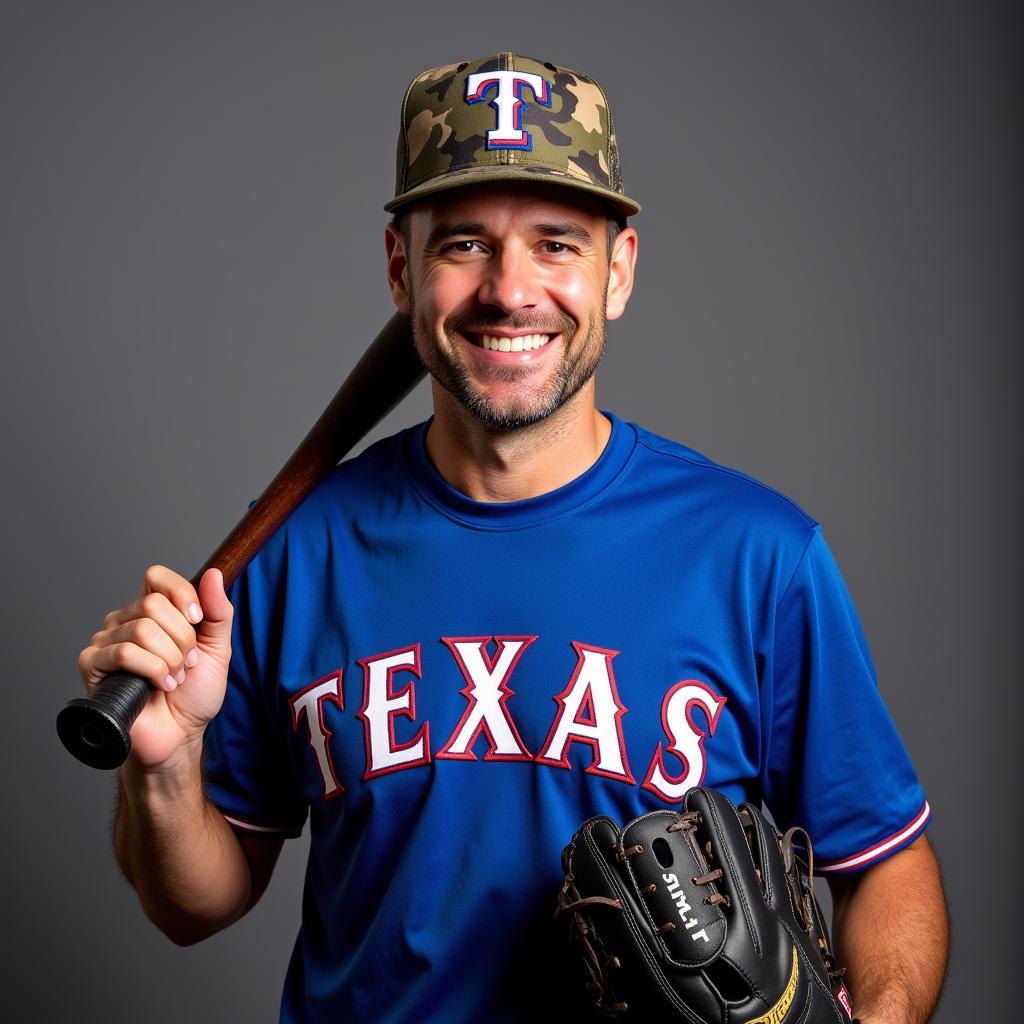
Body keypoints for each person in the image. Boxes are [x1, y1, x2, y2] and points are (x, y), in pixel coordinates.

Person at [78, 54, 949, 1023]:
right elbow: (193, 903)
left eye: (555, 244)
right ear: (400, 268)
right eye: (462, 244)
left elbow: (886, 866)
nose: (509, 290)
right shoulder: (295, 550)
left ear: (617, 269)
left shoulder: (758, 557)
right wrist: (164, 765)